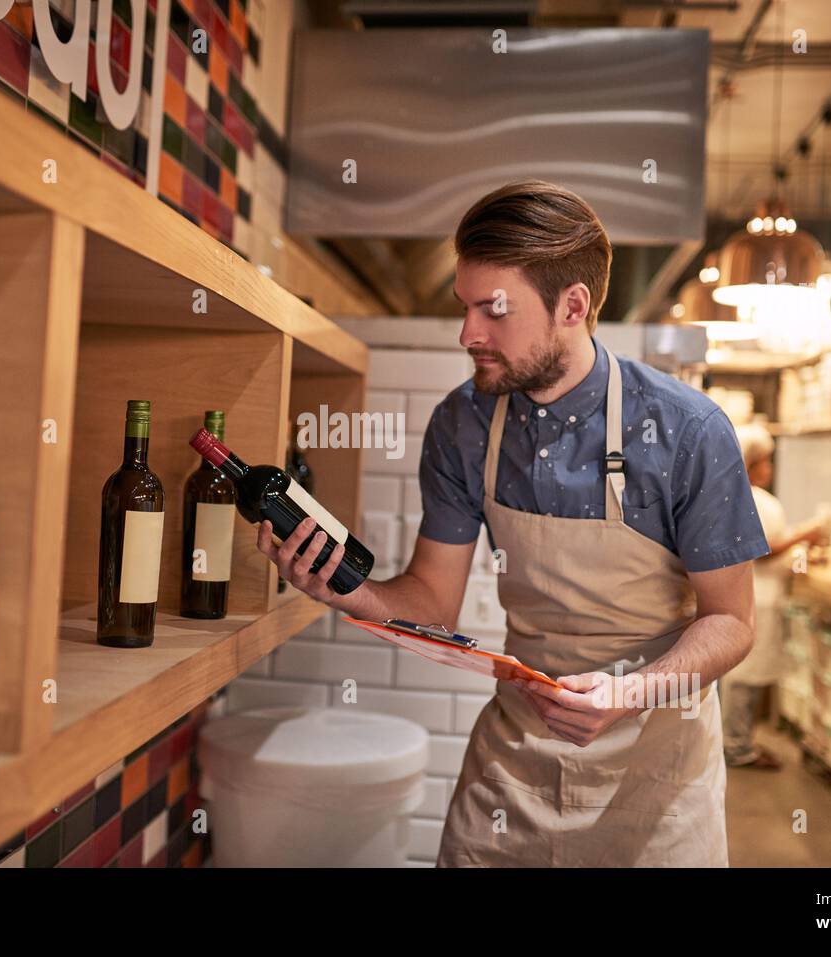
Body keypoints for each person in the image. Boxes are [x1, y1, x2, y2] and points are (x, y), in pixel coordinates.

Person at [256, 180, 768, 866]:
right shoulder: (463, 425)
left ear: (573, 306)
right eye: (465, 307)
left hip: (659, 784)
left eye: (492, 309)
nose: (469, 333)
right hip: (513, 775)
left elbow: (732, 620)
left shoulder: (687, 431)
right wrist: (343, 589)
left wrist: (630, 690)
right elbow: (432, 600)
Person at [721, 423, 828, 770]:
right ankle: (736, 747)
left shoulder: (751, 499)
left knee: (744, 678)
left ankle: (737, 742)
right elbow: (762, 550)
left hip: (763, 594)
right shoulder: (746, 499)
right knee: (743, 679)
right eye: (765, 462)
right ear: (749, 463)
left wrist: (801, 547)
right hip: (756, 596)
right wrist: (804, 534)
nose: (769, 469)